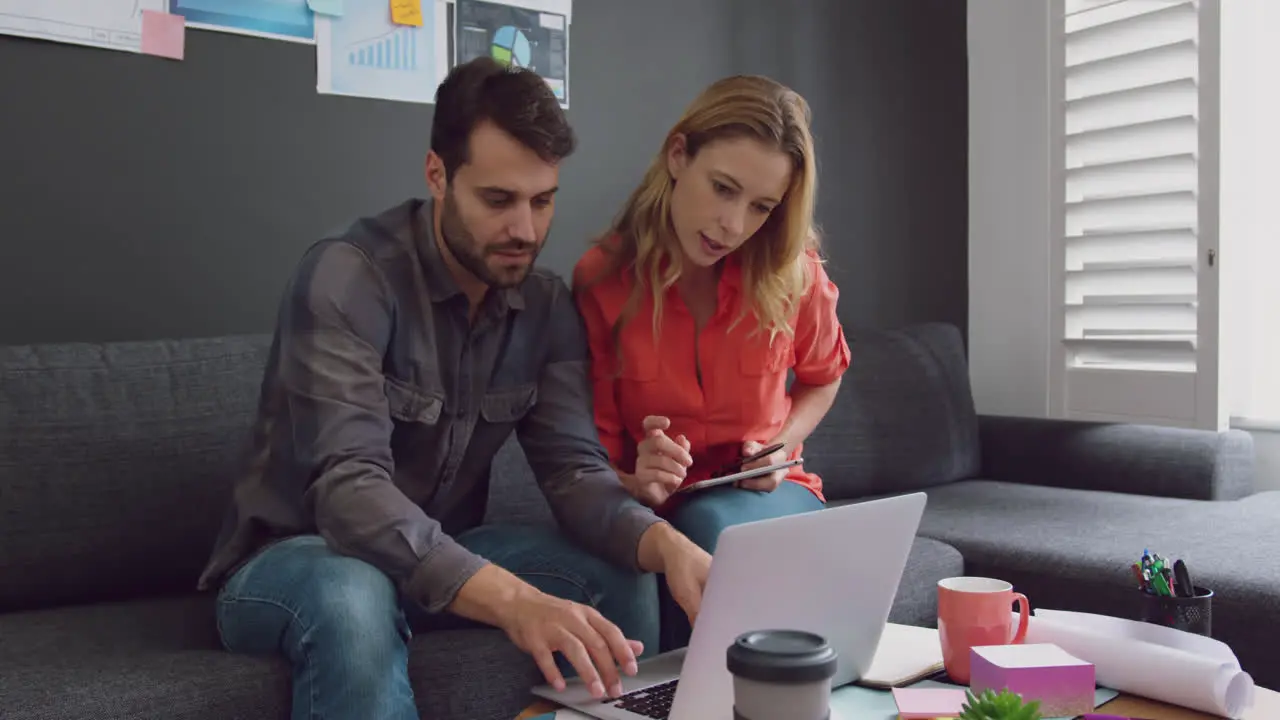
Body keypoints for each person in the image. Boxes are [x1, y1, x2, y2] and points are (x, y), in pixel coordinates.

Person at [196, 57, 712, 720]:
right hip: (294, 561)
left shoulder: (546, 305)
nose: (524, 230)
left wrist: (663, 542)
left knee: (620, 573)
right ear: (437, 175)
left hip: (436, 552)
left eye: (543, 199)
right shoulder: (349, 278)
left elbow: (574, 472)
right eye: (498, 200)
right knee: (352, 594)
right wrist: (512, 600)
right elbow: (349, 492)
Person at [572, 75, 851, 651]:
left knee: (709, 530)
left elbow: (824, 378)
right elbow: (588, 462)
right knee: (675, 539)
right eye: (723, 188)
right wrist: (636, 476)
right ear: (679, 155)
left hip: (771, 498)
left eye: (761, 207)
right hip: (658, 515)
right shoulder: (602, 280)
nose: (735, 226)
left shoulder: (794, 272)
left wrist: (779, 439)